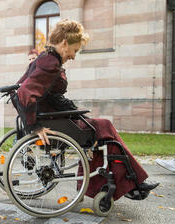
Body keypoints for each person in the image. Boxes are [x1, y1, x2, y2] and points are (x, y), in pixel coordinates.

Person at [15, 19, 158, 201]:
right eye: (74, 50)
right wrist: (35, 126)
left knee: (102, 132)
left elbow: (22, 88)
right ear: (65, 43)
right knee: (104, 127)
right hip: (56, 122)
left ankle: (126, 183)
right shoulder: (49, 63)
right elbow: (25, 92)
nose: (74, 56)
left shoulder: (46, 58)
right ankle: (130, 182)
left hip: (57, 117)